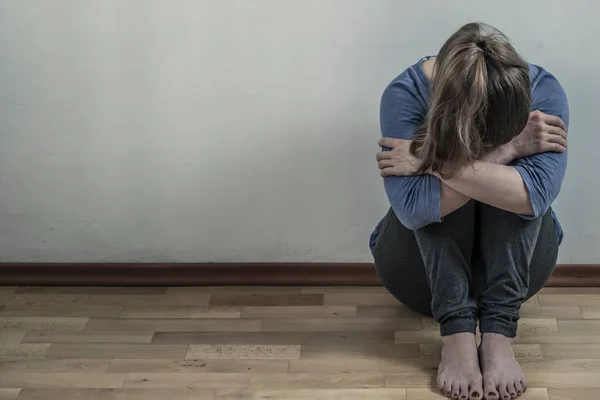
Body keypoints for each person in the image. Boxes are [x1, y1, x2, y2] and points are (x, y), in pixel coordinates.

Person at [370, 23, 569, 400]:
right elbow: (415, 209)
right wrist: (506, 150)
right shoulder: (405, 93)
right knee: (441, 196)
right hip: (418, 277)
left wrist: (428, 159)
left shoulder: (542, 90)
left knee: (509, 189)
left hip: (522, 272)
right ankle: (457, 336)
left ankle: (498, 336)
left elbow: (533, 196)